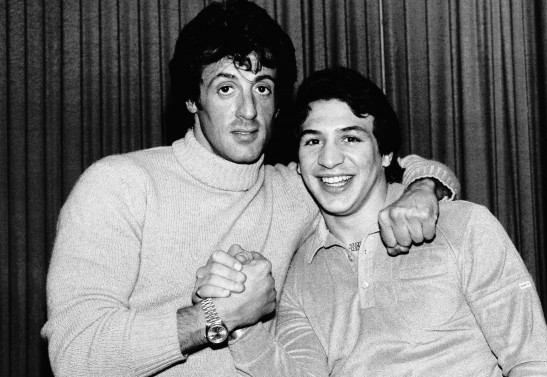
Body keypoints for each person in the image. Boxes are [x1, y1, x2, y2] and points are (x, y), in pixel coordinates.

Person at [41, 1, 460, 376]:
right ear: (192, 99)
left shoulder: (298, 189)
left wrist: (424, 188)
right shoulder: (119, 185)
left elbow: (385, 163)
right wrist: (217, 315)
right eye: (226, 88)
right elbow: (77, 356)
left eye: (261, 87)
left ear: (278, 102)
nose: (247, 111)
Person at [203, 67, 547, 376]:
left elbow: (533, 362)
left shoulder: (465, 227)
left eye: (350, 138)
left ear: (387, 152)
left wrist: (426, 185)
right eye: (313, 141)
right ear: (298, 160)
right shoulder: (300, 271)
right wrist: (239, 322)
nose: (329, 159)